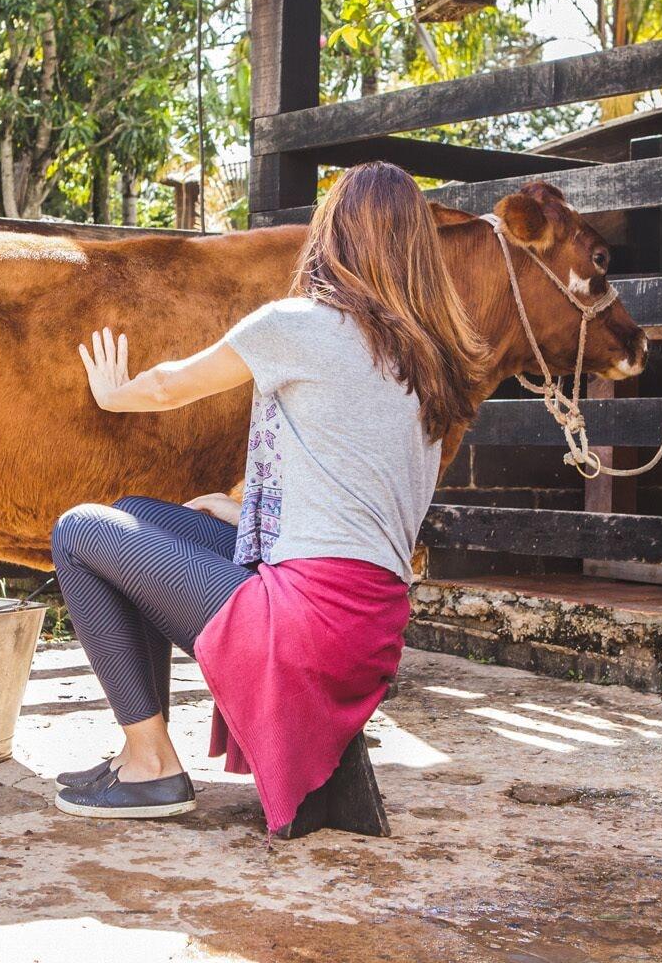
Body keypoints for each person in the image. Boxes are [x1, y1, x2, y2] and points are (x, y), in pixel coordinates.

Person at [49, 161, 489, 830]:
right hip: (370, 629)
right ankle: (141, 751)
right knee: (134, 516)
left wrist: (115, 395)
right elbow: (360, 480)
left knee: (80, 531)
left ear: (334, 236)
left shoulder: (301, 325)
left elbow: (169, 386)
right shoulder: (435, 360)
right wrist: (244, 514)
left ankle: (150, 765)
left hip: (305, 625)